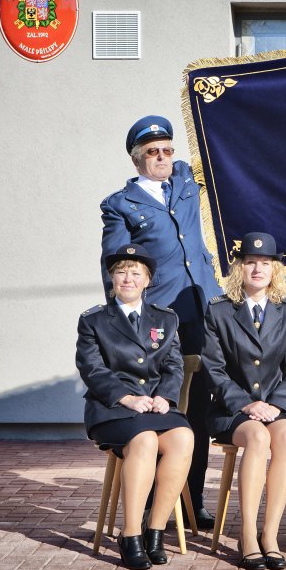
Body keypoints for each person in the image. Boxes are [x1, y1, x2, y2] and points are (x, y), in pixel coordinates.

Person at [100, 115, 222, 529]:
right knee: (160, 409)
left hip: (201, 313)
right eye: (153, 152)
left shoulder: (187, 178)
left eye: (168, 150)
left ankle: (194, 499)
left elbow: (223, 147)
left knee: (198, 411)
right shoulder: (120, 205)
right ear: (137, 160)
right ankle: (157, 503)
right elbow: (115, 268)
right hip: (158, 323)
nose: (163, 158)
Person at [76, 244, 194, 570]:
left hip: (154, 406)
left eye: (135, 272)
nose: (127, 278)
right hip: (112, 408)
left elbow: (173, 366)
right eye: (121, 272)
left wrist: (166, 397)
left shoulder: (165, 318)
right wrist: (126, 398)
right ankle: (130, 535)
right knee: (144, 440)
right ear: (112, 278)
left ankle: (154, 531)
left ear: (147, 280)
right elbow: (92, 369)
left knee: (184, 438)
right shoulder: (94, 320)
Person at [202, 232, 286, 570]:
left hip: (277, 406)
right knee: (258, 437)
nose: (258, 269)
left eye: (265, 263)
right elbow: (213, 368)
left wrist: (276, 403)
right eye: (250, 263)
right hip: (231, 409)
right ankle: (247, 534)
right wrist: (247, 404)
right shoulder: (219, 311)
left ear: (275, 269)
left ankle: (269, 535)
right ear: (239, 268)